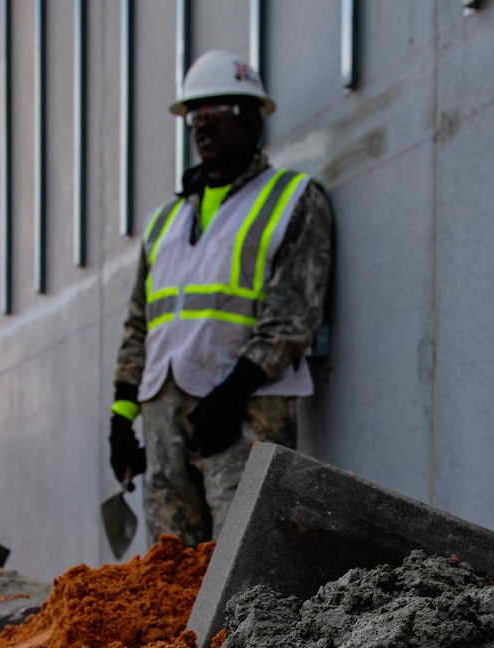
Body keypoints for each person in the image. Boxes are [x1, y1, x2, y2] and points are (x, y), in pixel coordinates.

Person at [109, 50, 333, 545]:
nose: (203, 127)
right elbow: (137, 328)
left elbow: (295, 314)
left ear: (252, 119)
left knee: (243, 565)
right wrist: (122, 421)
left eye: (219, 114)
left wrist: (234, 391)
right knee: (169, 575)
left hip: (246, 413)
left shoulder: (292, 199)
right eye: (195, 116)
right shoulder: (163, 222)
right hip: (165, 418)